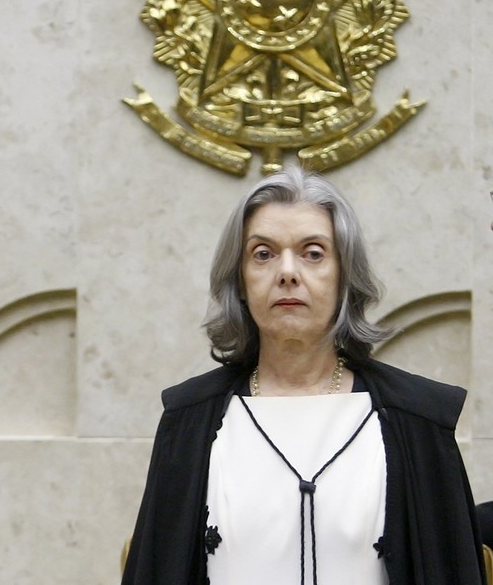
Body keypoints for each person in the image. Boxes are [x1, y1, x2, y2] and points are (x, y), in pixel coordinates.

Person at [121, 167, 487, 584]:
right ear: (240, 281)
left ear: (344, 276)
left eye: (313, 253)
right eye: (263, 253)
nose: (288, 272)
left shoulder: (417, 421)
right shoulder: (190, 422)